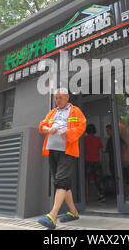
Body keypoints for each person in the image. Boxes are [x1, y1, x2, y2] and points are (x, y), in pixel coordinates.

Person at [38, 88, 87, 229]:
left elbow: (81, 125)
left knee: (60, 180)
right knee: (62, 182)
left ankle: (52, 215)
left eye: (60, 97)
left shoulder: (75, 111)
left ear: (67, 97)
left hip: (67, 150)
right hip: (52, 150)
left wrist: (69, 133)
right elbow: (42, 125)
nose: (57, 100)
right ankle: (73, 212)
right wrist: (48, 130)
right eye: (56, 98)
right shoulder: (53, 112)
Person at [84, 124, 105, 203]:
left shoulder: (84, 140)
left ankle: (85, 197)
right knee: (98, 180)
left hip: (87, 161)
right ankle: (101, 196)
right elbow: (102, 150)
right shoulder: (97, 139)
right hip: (96, 161)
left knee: (86, 180)